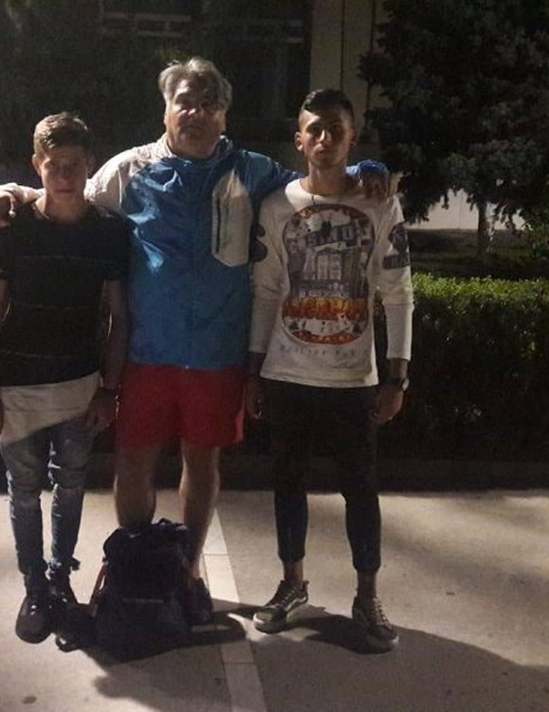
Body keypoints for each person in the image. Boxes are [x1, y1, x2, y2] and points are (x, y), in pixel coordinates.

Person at [0, 58, 384, 625]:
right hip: (146, 354)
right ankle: (134, 568)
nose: (195, 113)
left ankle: (188, 571)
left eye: (208, 104)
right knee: (134, 462)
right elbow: (68, 191)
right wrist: (12, 191)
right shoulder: (131, 169)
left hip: (218, 354)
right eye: (184, 102)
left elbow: (316, 183)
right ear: (166, 109)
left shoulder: (253, 171)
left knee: (202, 463)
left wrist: (365, 167)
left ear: (224, 115)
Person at [244, 89, 414, 652]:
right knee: (287, 482)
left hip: (352, 378)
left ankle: (367, 596)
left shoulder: (379, 203)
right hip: (288, 373)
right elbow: (267, 292)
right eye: (314, 129)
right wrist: (254, 370)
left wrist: (397, 375)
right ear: (299, 140)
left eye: (335, 130)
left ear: (351, 139)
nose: (324, 139)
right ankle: (292, 583)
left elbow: (398, 294)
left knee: (360, 489)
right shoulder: (277, 205)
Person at [0, 112, 131, 643]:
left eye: (74, 164)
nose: (64, 174)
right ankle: (34, 588)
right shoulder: (12, 227)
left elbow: (120, 315)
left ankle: (61, 580)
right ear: (37, 165)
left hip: (80, 384)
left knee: (72, 484)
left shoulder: (109, 231)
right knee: (24, 493)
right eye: (54, 164)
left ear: (90, 166)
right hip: (16, 385)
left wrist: (110, 389)